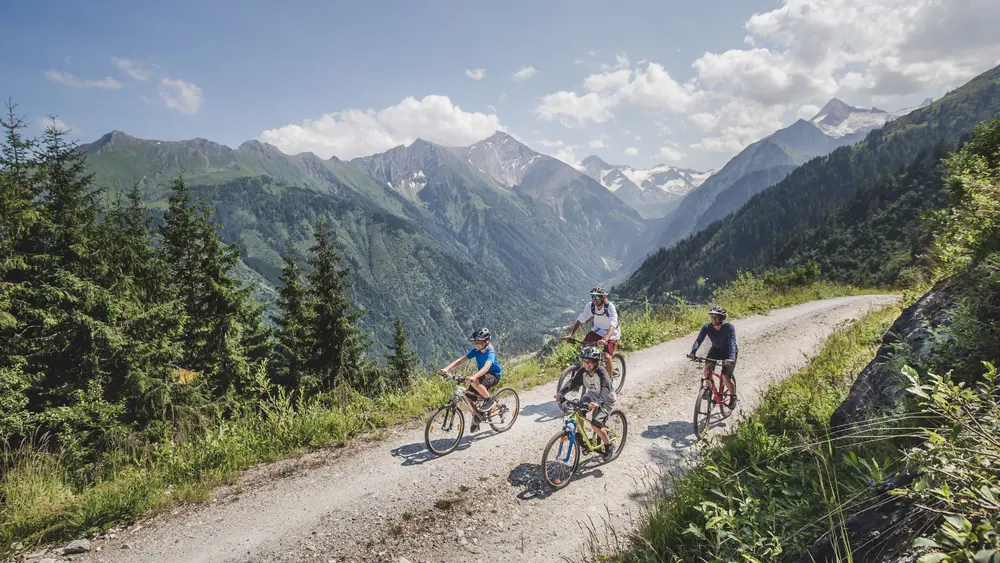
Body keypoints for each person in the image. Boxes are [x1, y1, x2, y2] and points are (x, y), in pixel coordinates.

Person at [554, 346, 617, 460]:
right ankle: (579, 435)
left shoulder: (601, 371)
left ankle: (609, 446)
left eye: (589, 362)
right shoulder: (583, 371)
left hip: (606, 398)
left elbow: (606, 388)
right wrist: (561, 393)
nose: (586, 364)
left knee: (595, 425)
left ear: (596, 362)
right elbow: (573, 383)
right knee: (579, 409)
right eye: (584, 361)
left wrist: (597, 402)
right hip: (592, 394)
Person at [441, 327, 502, 432]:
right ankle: (477, 416)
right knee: (467, 395)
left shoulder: (490, 352)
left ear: (486, 341)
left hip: (493, 375)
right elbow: (461, 360)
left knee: (475, 382)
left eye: (479, 341)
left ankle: (489, 400)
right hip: (481, 376)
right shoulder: (476, 351)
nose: (476, 343)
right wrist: (447, 368)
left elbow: (486, 367)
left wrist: (474, 376)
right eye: (475, 341)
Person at [687, 305, 738, 408]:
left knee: (725, 376)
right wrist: (693, 352)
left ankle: (733, 398)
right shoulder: (707, 327)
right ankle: (708, 390)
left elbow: (732, 343)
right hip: (716, 350)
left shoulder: (729, 328)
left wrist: (731, 358)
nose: (713, 319)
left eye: (716, 317)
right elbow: (699, 340)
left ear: (722, 318)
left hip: (728, 352)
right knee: (707, 369)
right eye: (712, 317)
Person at [565, 285, 620, 378]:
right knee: (586, 348)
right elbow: (580, 320)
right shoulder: (591, 306)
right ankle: (595, 368)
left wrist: (605, 339)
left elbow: (613, 324)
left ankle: (609, 385)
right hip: (597, 330)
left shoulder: (609, 307)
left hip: (611, 333)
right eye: (593, 296)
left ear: (603, 297)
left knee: (606, 356)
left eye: (597, 297)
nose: (594, 299)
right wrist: (570, 334)